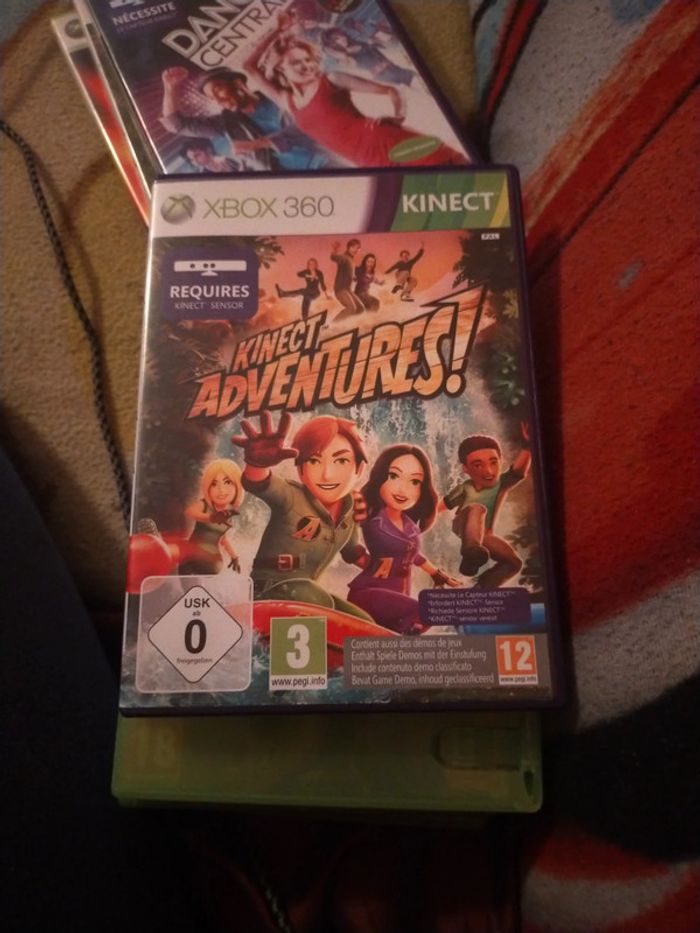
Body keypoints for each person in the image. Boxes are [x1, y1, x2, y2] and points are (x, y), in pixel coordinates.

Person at [253, 18, 467, 168]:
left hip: (387, 142)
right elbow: (249, 67)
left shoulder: (332, 79)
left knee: (457, 170)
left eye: (308, 60)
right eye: (296, 62)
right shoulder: (286, 101)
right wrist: (277, 32)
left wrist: (399, 115)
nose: (306, 66)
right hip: (369, 163)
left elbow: (391, 90)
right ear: (280, 67)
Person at [231, 412, 372, 619]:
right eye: (314, 461)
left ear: (359, 468)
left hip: (308, 594)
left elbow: (353, 553)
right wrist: (257, 463)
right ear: (301, 469)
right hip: (268, 590)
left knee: (363, 621)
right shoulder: (291, 496)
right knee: (318, 601)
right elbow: (260, 482)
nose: (327, 475)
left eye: (341, 461)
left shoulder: (350, 511)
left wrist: (388, 564)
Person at [348, 445, 459, 633]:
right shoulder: (370, 516)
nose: (403, 489)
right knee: (426, 611)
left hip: (397, 597)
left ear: (422, 489)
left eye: (414, 482)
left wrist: (437, 574)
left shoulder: (410, 525)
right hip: (369, 594)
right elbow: (346, 533)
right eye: (393, 476)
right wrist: (367, 561)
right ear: (381, 477)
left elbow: (412, 554)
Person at [160, 66, 332, 171]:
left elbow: (310, 123)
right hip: (295, 182)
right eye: (212, 98)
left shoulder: (277, 94)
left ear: (237, 84)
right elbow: (177, 125)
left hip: (328, 160)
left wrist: (258, 144)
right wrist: (170, 89)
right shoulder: (227, 123)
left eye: (218, 90)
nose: (218, 100)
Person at [440, 425, 531, 585]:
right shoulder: (464, 488)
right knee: (477, 508)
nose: (488, 471)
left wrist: (528, 446)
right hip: (462, 525)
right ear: (466, 468)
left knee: (514, 563)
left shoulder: (501, 484)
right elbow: (439, 507)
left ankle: (482, 588)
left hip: (485, 535)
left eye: (493, 463)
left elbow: (518, 472)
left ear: (501, 461)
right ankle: (470, 551)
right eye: (478, 465)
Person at [180, 458, 243, 574]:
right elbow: (190, 512)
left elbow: (222, 538)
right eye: (214, 484)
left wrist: (234, 556)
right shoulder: (204, 505)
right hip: (192, 559)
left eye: (227, 482)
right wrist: (211, 518)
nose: (221, 490)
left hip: (211, 564)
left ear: (237, 486)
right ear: (207, 487)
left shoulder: (228, 514)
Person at [321, 27, 415, 87]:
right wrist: (333, 51)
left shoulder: (357, 43)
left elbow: (380, 52)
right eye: (336, 39)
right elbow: (368, 73)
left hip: (397, 69)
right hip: (389, 80)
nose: (342, 38)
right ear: (332, 44)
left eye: (341, 35)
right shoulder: (345, 59)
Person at [331, 239, 365, 318]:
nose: (357, 250)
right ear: (350, 247)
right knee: (351, 308)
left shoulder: (351, 260)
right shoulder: (344, 258)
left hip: (348, 290)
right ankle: (333, 324)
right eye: (355, 248)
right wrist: (335, 249)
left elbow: (349, 273)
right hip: (341, 289)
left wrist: (354, 277)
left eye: (359, 248)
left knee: (360, 309)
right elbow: (334, 257)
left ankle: (348, 323)